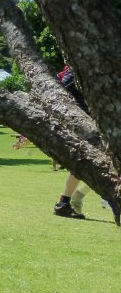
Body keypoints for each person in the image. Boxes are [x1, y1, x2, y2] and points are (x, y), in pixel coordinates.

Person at [54, 66, 91, 219]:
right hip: (84, 125)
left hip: (83, 124)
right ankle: (69, 201)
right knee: (83, 163)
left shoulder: (73, 71)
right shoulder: (78, 72)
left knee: (83, 164)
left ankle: (68, 201)